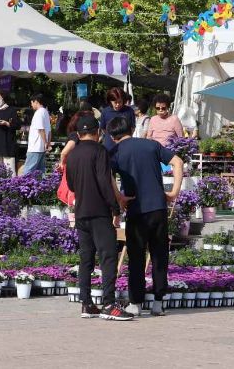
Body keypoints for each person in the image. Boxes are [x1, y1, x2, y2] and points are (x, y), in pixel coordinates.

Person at [108, 116, 184, 317]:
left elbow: (107, 173)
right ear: (132, 129)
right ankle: (159, 303)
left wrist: (119, 197)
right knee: (159, 256)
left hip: (136, 208)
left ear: (112, 136)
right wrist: (174, 192)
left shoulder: (116, 151)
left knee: (136, 256)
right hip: (158, 207)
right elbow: (177, 161)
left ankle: (136, 303)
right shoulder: (151, 145)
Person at [64, 115, 131, 321]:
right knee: (108, 256)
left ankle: (86, 303)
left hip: (81, 212)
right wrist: (115, 208)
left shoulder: (73, 154)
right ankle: (109, 304)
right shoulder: (100, 151)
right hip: (99, 212)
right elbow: (104, 181)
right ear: (98, 132)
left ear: (79, 133)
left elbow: (72, 185)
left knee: (86, 258)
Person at [24, 93, 51, 174]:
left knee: (28, 171)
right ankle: (41, 187)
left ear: (36, 101)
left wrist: (46, 143)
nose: (31, 105)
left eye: (32, 102)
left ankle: (24, 186)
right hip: (41, 148)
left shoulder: (38, 113)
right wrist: (47, 144)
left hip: (35, 147)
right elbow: (49, 131)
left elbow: (41, 129)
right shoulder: (45, 112)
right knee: (39, 173)